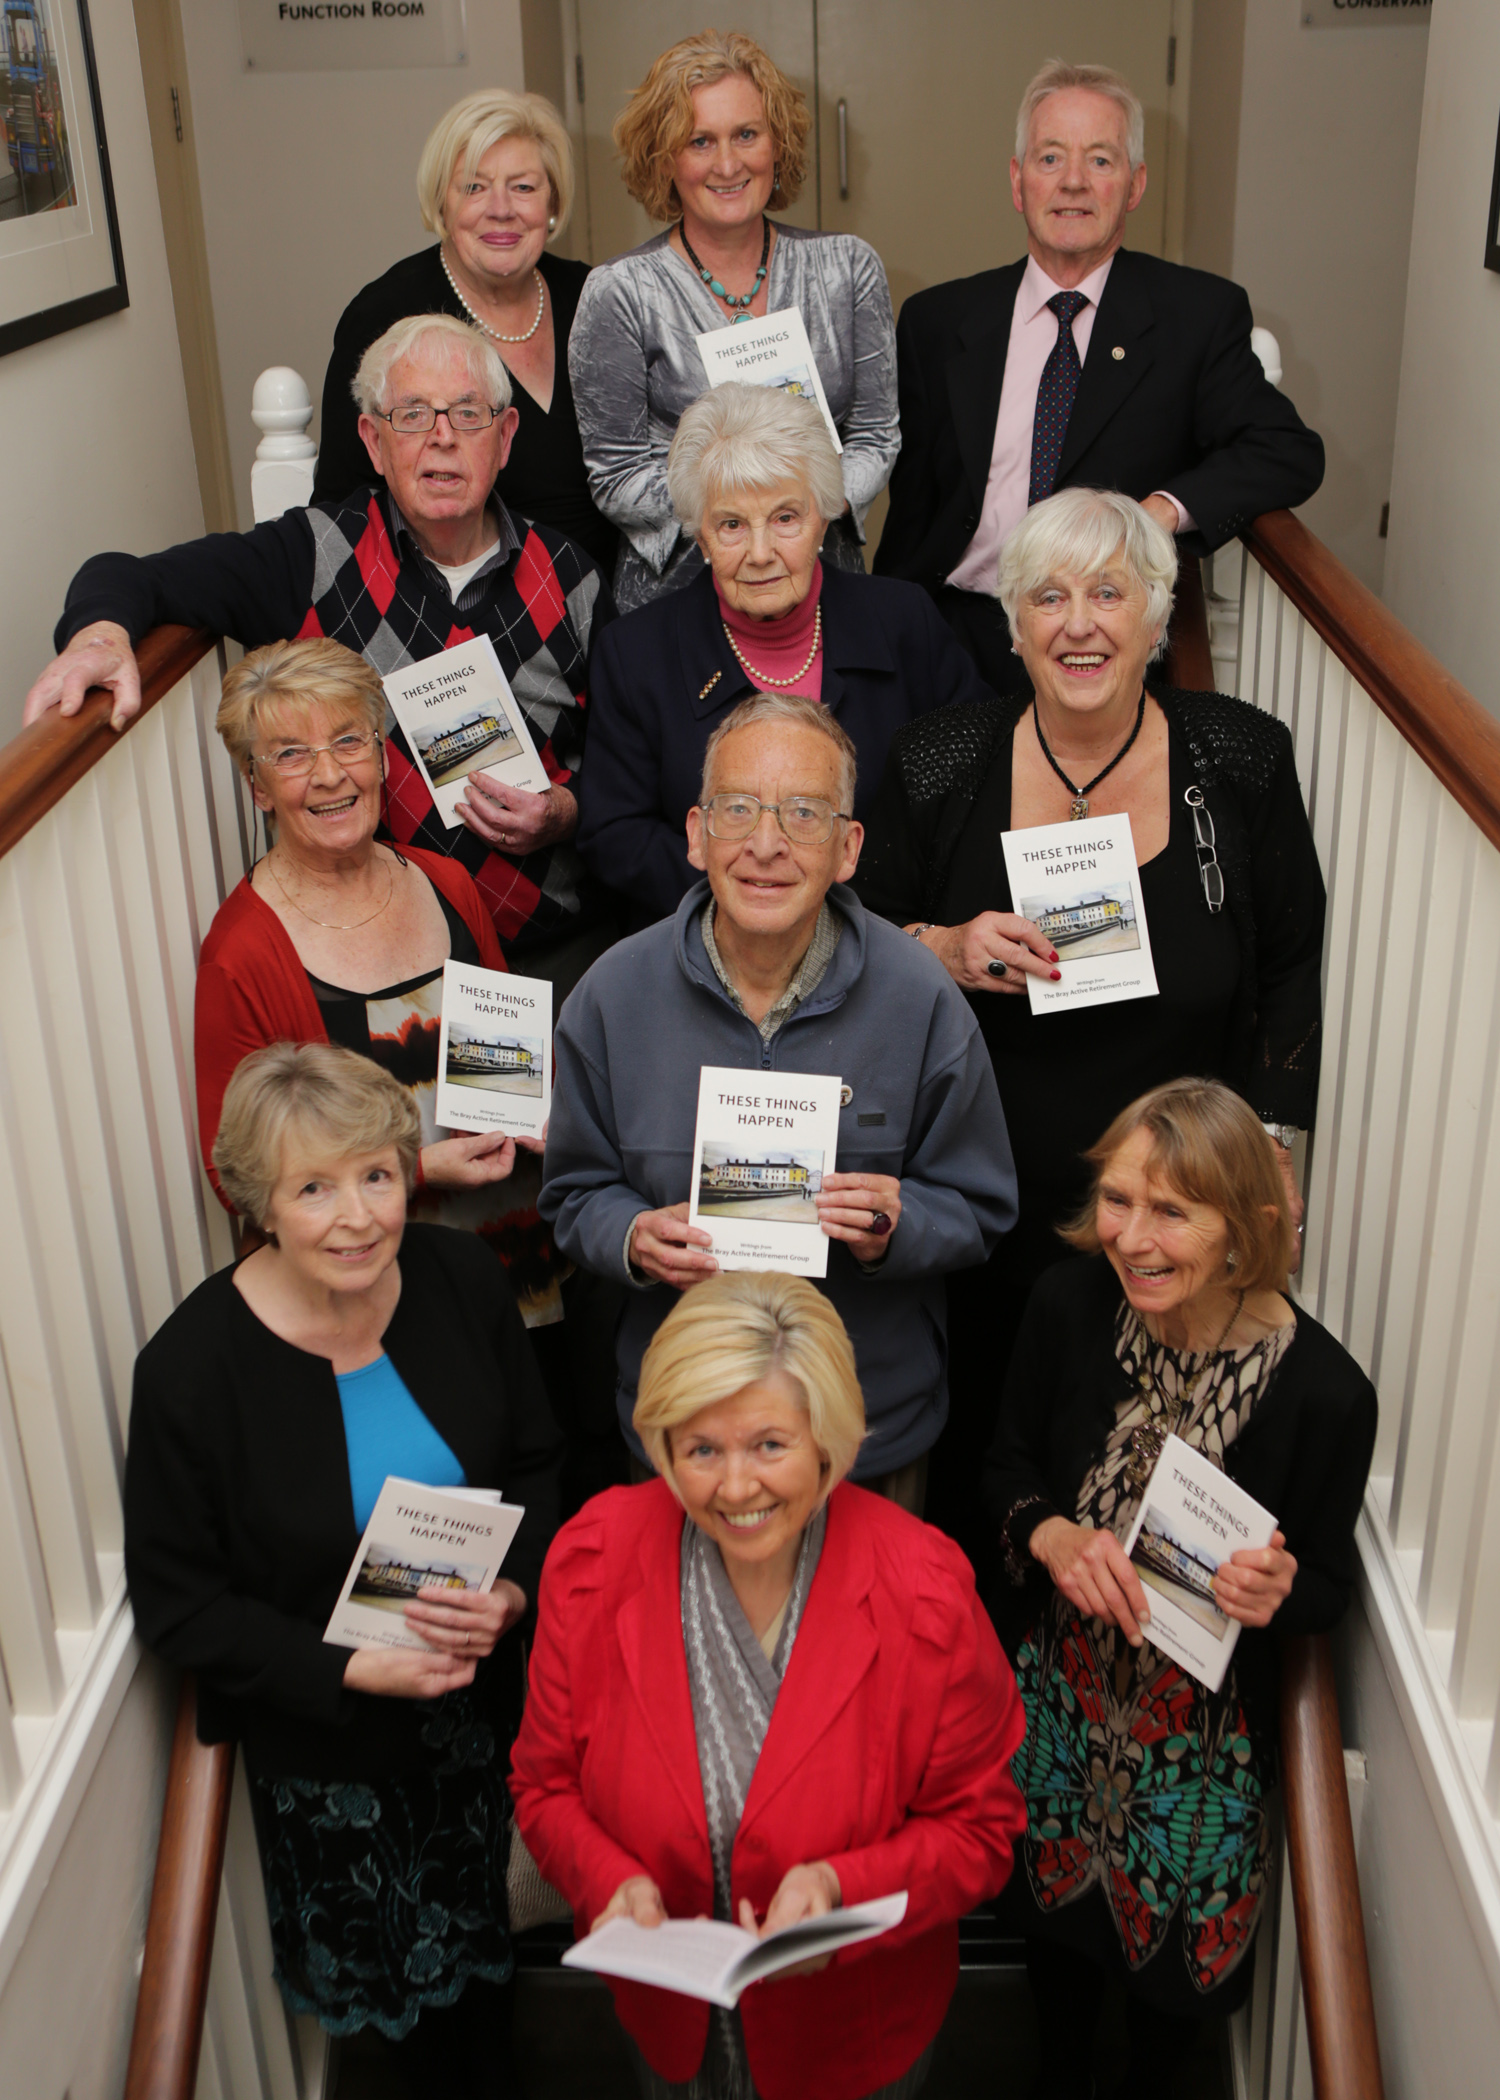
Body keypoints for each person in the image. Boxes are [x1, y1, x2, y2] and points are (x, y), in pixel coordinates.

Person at [855, 486, 1323, 1594]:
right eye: (1049, 597)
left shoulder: (1240, 758)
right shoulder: (939, 760)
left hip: (1172, 1208)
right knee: (990, 1457)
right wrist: (945, 945)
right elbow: (855, 936)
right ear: (1011, 623)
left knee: (1136, 1463)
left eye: (1110, 594)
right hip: (986, 1193)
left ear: (1156, 617)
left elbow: (1291, 965)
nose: (1079, 625)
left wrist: (1272, 1140)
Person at [124, 1043, 564, 2095]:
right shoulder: (191, 1370)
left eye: (376, 1175)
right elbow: (181, 1605)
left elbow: (539, 1461)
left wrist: (514, 1592)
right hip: (339, 1768)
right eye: (314, 1188)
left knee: (500, 2007)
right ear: (258, 1204)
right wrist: (351, 1669)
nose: (358, 1217)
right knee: (408, 2051)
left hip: (490, 1726)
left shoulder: (461, 1278)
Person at [510, 1270, 1026, 2100]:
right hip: (670, 2025)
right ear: (662, 1445)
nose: (736, 1487)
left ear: (829, 1438)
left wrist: (842, 1889)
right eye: (702, 1449)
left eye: (769, 1445)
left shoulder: (923, 1589)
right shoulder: (592, 1561)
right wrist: (609, 1880)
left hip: (852, 2037)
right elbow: (544, 1788)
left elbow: (982, 1830)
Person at [24, 312, 615, 991]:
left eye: (467, 413)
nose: (442, 437)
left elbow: (630, 770)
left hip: (553, 951)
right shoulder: (313, 556)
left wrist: (564, 812)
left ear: (504, 437)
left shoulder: (571, 578)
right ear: (372, 441)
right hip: (378, 965)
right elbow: (130, 575)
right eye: (412, 415)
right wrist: (100, 636)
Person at [983, 1079, 1376, 2100]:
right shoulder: (1067, 1306)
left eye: (1172, 1211)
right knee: (1054, 1956)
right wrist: (1052, 1531)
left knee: (1169, 2014)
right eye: (1119, 1199)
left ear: (1247, 1224)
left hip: (1199, 1760)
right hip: (1058, 1711)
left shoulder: (1328, 1393)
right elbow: (1005, 1467)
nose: (1131, 1237)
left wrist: (1281, 1588)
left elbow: (1328, 1590)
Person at [541, 692, 1017, 1505]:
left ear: (848, 848)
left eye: (804, 813)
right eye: (738, 809)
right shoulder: (613, 993)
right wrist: (631, 1236)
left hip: (864, 1434)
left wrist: (895, 1225)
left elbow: (982, 1204)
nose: (766, 845)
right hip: (684, 1430)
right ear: (697, 834)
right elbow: (573, 1192)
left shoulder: (921, 997)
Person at [874, 58, 1325, 693]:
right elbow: (912, 513)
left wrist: (1156, 514)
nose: (1073, 182)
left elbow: (1286, 451)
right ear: (1018, 181)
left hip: (1102, 647)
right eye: (1050, 158)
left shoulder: (1196, 317)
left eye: (1101, 161)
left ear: (1135, 185)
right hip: (954, 634)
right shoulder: (937, 321)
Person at [578, 383, 993, 927]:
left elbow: (977, 784)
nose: (760, 553)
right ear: (700, 537)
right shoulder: (635, 652)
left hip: (888, 931)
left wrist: (853, 917)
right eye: (731, 524)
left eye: (785, 518)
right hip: (712, 939)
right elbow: (615, 834)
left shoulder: (903, 621)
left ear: (823, 517)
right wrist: (760, 898)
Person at [568, 28, 899, 611]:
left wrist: (804, 515)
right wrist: (744, 519)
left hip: (825, 588)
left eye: (746, 134)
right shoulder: (620, 292)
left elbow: (876, 436)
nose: (727, 164)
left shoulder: (848, 268)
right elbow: (616, 476)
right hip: (681, 602)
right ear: (664, 159)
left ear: (778, 143)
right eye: (700, 141)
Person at [312, 90, 617, 575]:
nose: (501, 209)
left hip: (607, 597)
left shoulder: (596, 296)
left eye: (523, 187)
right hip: (459, 599)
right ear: (442, 202)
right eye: (474, 187)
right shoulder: (384, 315)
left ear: (553, 203)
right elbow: (342, 510)